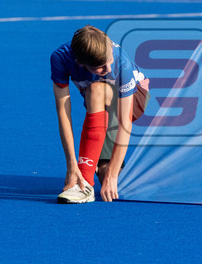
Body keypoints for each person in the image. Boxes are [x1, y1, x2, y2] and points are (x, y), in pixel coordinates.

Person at [51, 25, 150, 204]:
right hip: (101, 105)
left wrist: (112, 174)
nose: (109, 69)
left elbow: (125, 124)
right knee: (108, 178)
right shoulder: (60, 58)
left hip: (134, 98)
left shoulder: (121, 65)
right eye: (101, 68)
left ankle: (85, 184)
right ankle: (94, 172)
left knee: (96, 90)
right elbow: (63, 114)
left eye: (109, 61)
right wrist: (71, 165)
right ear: (80, 63)